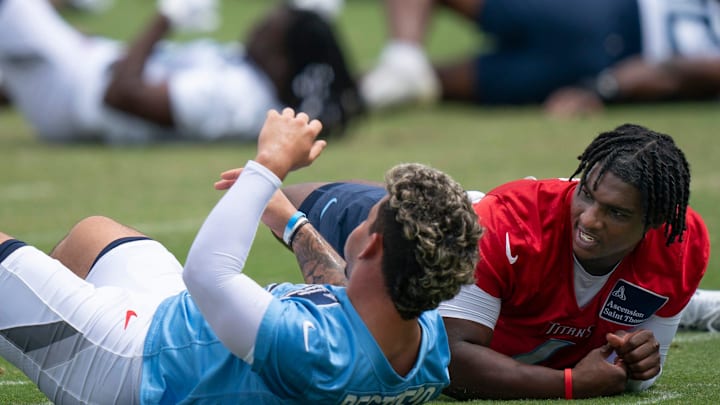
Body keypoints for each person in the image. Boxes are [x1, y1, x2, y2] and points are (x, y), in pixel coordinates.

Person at [0, 107, 483, 403]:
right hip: (177, 329)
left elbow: (208, 274)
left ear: (374, 243)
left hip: (134, 363)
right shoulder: (424, 342)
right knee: (92, 235)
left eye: (368, 216)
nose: (358, 224)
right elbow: (352, 295)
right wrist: (292, 224)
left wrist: (269, 165)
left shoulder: (310, 351)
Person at [216, 123, 711, 400]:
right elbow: (452, 363)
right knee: (296, 203)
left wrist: (635, 359)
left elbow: (640, 374)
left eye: (617, 213)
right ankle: (294, 218)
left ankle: (694, 308)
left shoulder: (681, 243)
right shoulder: (508, 226)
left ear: (657, 222)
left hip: (520, 295)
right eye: (586, 194)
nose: (590, 219)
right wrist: (569, 383)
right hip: (447, 230)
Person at [0, 0, 362, 144]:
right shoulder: (251, 75)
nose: (256, 28)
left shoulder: (235, 97)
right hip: (84, 67)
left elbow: (118, 95)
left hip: (74, 94)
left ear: (282, 61)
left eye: (268, 29)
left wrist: (165, 19)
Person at [360, 0, 720, 117]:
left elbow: (677, 71)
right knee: (426, 85)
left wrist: (605, 88)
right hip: (595, 64)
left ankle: (401, 54)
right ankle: (387, 72)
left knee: (413, 78)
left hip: (603, 21)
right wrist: (601, 87)